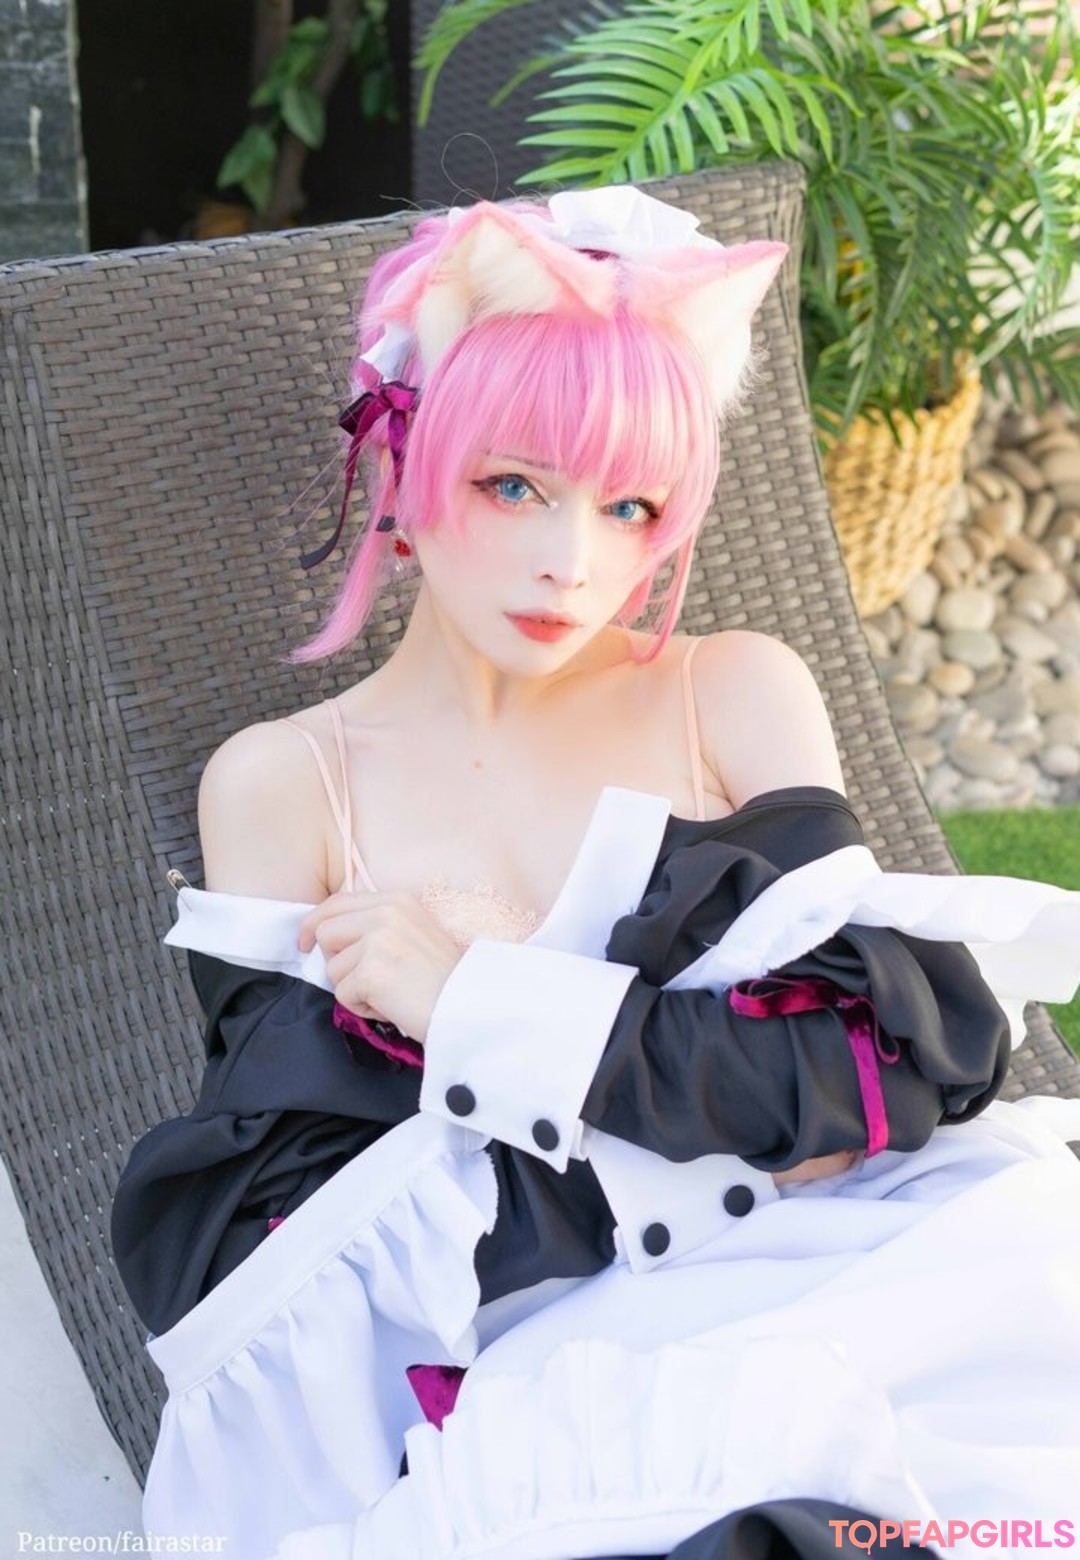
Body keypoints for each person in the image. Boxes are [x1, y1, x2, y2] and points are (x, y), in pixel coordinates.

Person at [111, 186, 1080, 1560]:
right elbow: (298, 1246)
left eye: (631, 506)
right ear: (409, 466)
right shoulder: (284, 783)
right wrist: (707, 1087)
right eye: (514, 485)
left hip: (880, 1270)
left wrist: (478, 1008)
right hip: (566, 1376)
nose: (574, 563)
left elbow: (883, 1081)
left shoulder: (730, 692)